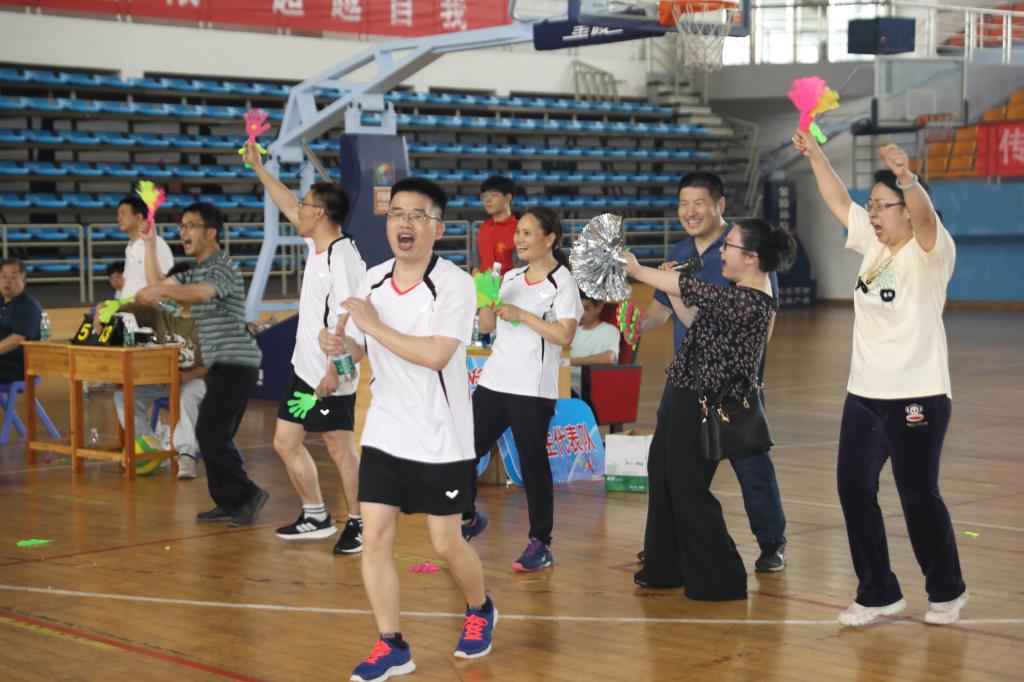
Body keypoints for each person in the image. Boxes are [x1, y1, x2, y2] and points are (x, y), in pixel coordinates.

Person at [316, 177, 495, 681]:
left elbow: (436, 354)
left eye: (417, 215)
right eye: (396, 214)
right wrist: (343, 351)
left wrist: (372, 327)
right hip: (386, 431)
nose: (405, 223)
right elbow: (364, 350)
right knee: (374, 538)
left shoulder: (454, 284)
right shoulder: (372, 281)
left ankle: (480, 608)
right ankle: (391, 643)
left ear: (437, 228)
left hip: (441, 437)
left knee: (445, 543)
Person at [795, 129, 968, 626]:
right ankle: (877, 592)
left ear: (907, 210)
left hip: (919, 395)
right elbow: (836, 199)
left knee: (917, 496)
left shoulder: (932, 251)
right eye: (870, 205)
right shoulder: (873, 246)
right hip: (864, 394)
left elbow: (927, 218)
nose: (872, 213)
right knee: (853, 488)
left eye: (882, 205)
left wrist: (907, 178)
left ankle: (947, 589)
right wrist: (816, 154)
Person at [625, 218, 796, 601]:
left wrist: (637, 270)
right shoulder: (736, 292)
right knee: (663, 473)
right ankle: (665, 565)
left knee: (687, 485)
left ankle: (722, 575)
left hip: (705, 400)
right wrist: (672, 290)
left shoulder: (752, 300)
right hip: (684, 390)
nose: (721, 251)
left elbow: (691, 288)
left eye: (728, 245)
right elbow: (694, 319)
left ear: (751, 257)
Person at [244, 142, 367, 554]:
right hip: (305, 374)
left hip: (332, 377)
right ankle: (315, 515)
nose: (297, 210)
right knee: (285, 440)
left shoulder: (343, 257)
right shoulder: (318, 246)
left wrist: (335, 371)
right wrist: (259, 167)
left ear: (321, 214)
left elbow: (351, 320)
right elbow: (285, 203)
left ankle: (360, 523)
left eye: (305, 204)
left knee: (338, 447)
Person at [466, 206, 583, 572]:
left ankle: (540, 542)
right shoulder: (511, 276)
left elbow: (564, 335)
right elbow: (488, 326)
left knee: (533, 465)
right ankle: (468, 517)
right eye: (518, 232)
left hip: (532, 389)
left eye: (528, 233)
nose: (519, 239)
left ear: (549, 239)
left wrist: (523, 316)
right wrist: (486, 299)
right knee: (465, 451)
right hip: (494, 381)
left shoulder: (563, 283)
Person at [136, 202, 267, 527]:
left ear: (211, 232)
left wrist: (160, 289)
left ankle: (249, 495)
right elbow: (159, 288)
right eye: (181, 226)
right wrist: (150, 245)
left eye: (191, 225)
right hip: (219, 365)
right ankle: (228, 502)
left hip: (237, 361)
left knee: (210, 433)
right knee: (211, 435)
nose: (184, 232)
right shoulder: (194, 271)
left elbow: (203, 293)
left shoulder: (222, 267)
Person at [111, 263, 205, 480]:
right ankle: (152, 450)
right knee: (123, 396)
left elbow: (218, 363)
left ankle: (186, 455)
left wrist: (187, 376)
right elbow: (126, 310)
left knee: (185, 395)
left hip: (201, 380)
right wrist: (107, 309)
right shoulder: (161, 313)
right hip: (168, 379)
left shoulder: (209, 319)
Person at [116, 195, 174, 298]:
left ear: (138, 217)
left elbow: (165, 285)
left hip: (147, 308)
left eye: (123, 213)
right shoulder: (129, 247)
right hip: (130, 307)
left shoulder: (158, 244)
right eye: (118, 214)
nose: (118, 218)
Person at [569, 291, 620, 397]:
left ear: (599, 308)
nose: (580, 313)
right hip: (563, 383)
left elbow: (608, 357)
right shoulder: (573, 331)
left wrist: (570, 362)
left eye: (585, 308)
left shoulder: (609, 331)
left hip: (584, 388)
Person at [0, 259, 42, 383]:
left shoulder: (28, 305)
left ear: (24, 282)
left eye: (13, 277)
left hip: (19, 365)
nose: (7, 281)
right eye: (3, 276)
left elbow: (17, 339)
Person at [473, 175, 518, 275]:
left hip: (511, 284)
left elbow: (522, 270)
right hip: (483, 284)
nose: (487, 200)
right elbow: (476, 267)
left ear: (508, 198)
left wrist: (498, 281)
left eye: (493, 195)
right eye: (484, 196)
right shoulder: (483, 228)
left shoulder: (519, 229)